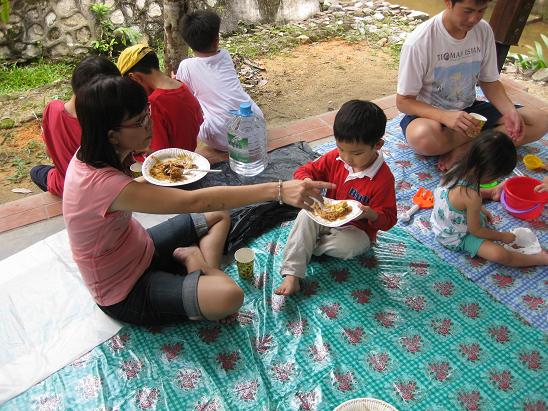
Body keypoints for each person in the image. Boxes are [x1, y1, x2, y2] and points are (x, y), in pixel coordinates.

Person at [62, 75, 333, 326]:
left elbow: (140, 193)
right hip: (124, 289)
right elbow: (194, 202)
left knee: (219, 214)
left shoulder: (91, 154)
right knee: (229, 298)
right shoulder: (103, 185)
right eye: (139, 121)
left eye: (148, 113)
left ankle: (201, 272)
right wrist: (279, 190)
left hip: (140, 247)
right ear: (112, 134)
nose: (150, 125)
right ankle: (200, 267)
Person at [396, 0, 548, 172]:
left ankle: (467, 149)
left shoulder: (483, 30)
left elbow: (489, 81)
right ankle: (485, 141)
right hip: (432, 116)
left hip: (470, 110)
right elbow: (404, 102)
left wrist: (509, 111)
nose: (474, 19)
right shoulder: (420, 42)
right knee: (422, 138)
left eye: (481, 11)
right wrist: (445, 117)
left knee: (540, 120)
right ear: (448, 2)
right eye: (467, 11)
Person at [275, 100, 397, 295]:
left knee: (351, 246)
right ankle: (292, 274)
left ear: (377, 145)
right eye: (341, 149)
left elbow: (389, 219)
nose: (347, 158)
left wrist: (370, 214)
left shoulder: (383, 179)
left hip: (357, 229)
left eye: (356, 153)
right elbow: (304, 171)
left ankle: (308, 246)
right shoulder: (335, 158)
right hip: (327, 214)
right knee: (305, 214)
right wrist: (307, 182)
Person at [430, 130, 548, 267]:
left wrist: (480, 209)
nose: (497, 179)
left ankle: (490, 195)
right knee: (500, 255)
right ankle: (539, 260)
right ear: (489, 172)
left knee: (473, 207)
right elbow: (476, 231)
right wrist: (502, 236)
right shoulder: (472, 197)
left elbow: (461, 199)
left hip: (440, 219)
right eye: (497, 176)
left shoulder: (457, 168)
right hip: (453, 235)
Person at [29, 56, 120, 196]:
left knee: (36, 171)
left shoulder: (52, 108)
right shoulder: (101, 124)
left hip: (64, 185)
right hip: (96, 192)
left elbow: (49, 152)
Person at [175, 10, 264, 152]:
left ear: (188, 42)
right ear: (216, 39)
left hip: (221, 137)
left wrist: (176, 81)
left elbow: (184, 94)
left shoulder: (186, 66)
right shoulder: (225, 56)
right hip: (256, 127)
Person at [116, 44, 203, 153]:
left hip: (173, 163)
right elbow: (199, 119)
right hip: (190, 154)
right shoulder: (182, 86)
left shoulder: (154, 102)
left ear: (134, 77)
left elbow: (159, 152)